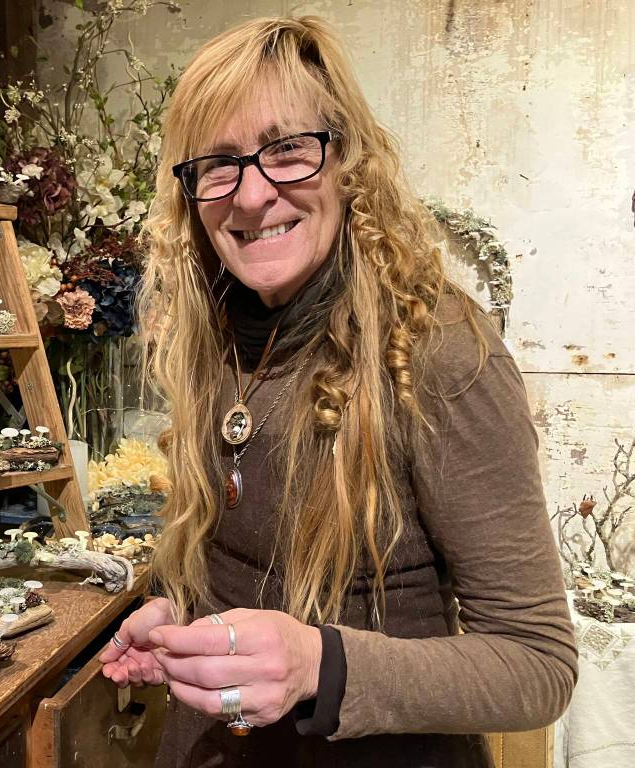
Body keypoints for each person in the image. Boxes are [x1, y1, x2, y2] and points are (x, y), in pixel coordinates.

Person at [98, 15, 577, 768]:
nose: (252, 196)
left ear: (347, 158)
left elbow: (538, 665)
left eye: (287, 150)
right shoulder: (218, 330)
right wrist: (179, 615)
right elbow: (243, 559)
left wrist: (319, 664)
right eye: (218, 165)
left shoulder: (438, 355)